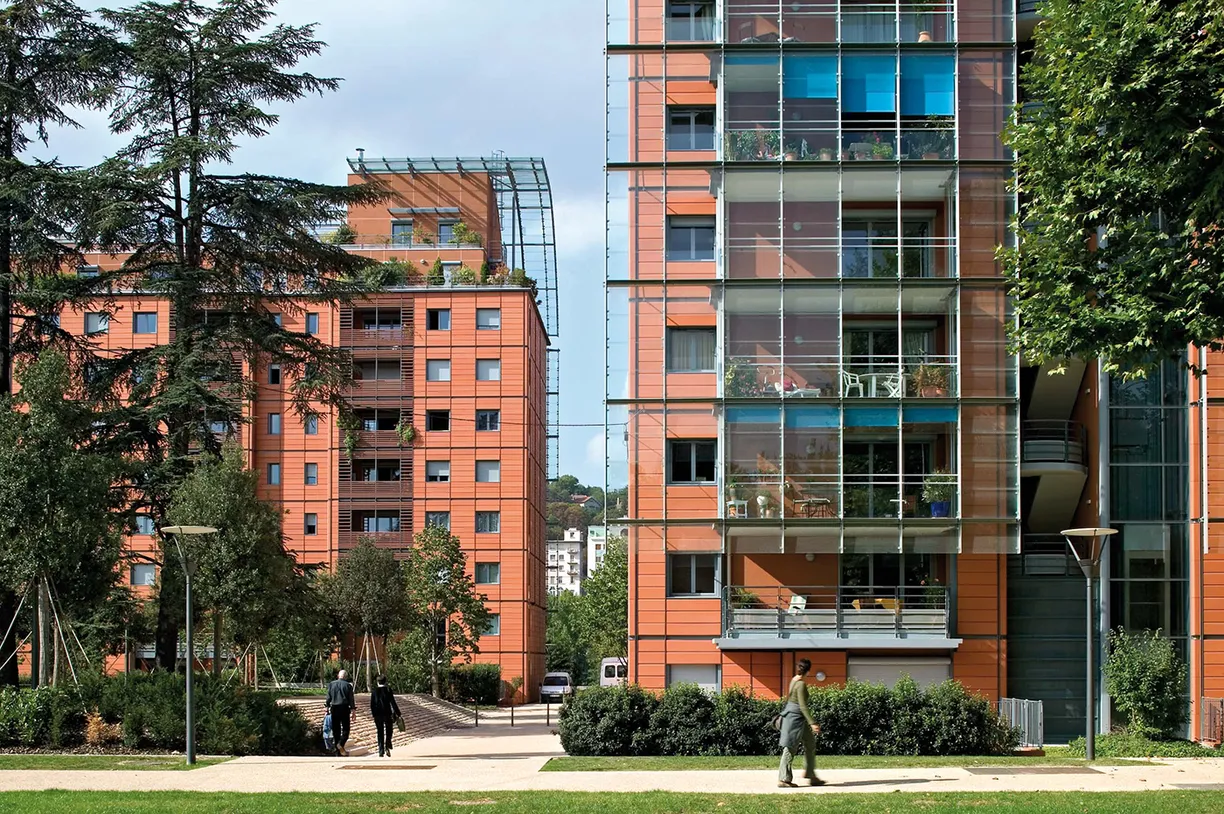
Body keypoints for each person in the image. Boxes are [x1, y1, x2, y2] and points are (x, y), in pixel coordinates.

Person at [778, 658, 825, 788]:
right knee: (790, 747)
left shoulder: (794, 680)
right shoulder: (801, 684)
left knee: (810, 743)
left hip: (797, 718)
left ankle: (811, 775)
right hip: (794, 719)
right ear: (808, 671)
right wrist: (813, 723)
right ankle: (783, 779)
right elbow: (803, 706)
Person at [370, 674, 403, 757]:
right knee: (389, 731)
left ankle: (381, 751)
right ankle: (387, 744)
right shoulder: (388, 690)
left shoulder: (374, 691)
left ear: (377, 682)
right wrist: (398, 713)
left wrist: (374, 714)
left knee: (380, 732)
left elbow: (372, 704)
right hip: (387, 714)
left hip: (377, 715)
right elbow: (393, 702)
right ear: (385, 682)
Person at [325, 669, 356, 756]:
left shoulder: (331, 684)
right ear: (345, 677)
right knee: (346, 729)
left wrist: (327, 707)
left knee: (336, 730)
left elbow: (328, 697)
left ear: (338, 676)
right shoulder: (348, 686)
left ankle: (338, 752)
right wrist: (353, 711)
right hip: (344, 708)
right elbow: (351, 699)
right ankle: (341, 744)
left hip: (334, 708)